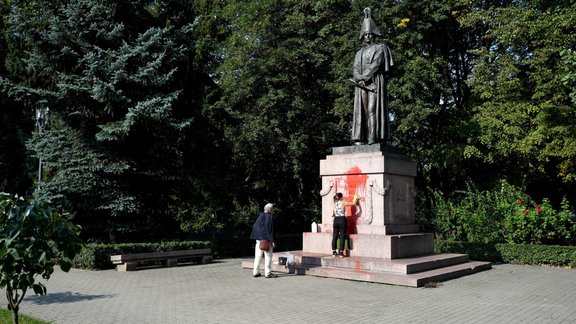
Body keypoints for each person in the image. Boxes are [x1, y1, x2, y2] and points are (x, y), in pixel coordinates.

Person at [351, 7, 393, 145]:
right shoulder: (359, 53)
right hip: (361, 86)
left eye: (369, 34)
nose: (367, 36)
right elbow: (355, 68)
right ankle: (360, 138)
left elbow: (375, 65)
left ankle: (373, 138)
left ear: (374, 34)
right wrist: (359, 78)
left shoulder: (381, 48)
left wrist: (364, 78)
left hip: (374, 83)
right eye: (365, 34)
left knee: (372, 110)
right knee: (362, 112)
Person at [250, 203, 277, 278]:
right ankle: (268, 273)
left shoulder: (260, 216)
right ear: (269, 210)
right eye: (272, 208)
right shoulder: (269, 216)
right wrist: (272, 241)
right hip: (266, 240)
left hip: (259, 240)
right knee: (268, 256)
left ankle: (255, 272)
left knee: (258, 256)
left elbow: (255, 227)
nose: (273, 210)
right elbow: (270, 230)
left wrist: (258, 237)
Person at [331, 193, 358, 257]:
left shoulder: (335, 204)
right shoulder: (343, 203)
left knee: (335, 236)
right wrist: (356, 198)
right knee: (342, 236)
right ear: (341, 197)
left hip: (336, 220)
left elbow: (333, 214)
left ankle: (334, 252)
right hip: (342, 220)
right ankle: (340, 253)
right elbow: (353, 203)